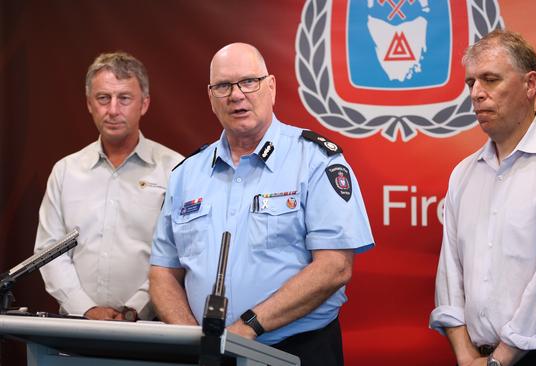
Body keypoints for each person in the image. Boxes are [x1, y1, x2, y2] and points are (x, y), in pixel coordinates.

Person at [149, 42, 374, 366]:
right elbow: (162, 272)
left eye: (248, 82)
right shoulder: (187, 174)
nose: (237, 95)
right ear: (210, 97)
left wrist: (249, 326)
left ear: (270, 87)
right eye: (223, 86)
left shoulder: (314, 160)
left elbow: (335, 266)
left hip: (296, 350)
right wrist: (193, 339)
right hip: (207, 355)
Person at [429, 30, 536, 366]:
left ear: (530, 84)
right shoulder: (463, 174)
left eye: (490, 80)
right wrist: (466, 356)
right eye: (471, 83)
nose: (476, 94)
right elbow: (450, 275)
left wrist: (500, 360)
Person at [34, 52, 183, 321]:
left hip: (150, 329)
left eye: (124, 98)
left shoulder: (175, 170)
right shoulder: (66, 171)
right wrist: (86, 309)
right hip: (75, 328)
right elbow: (49, 253)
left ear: (144, 104)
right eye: (103, 98)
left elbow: (179, 255)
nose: (113, 110)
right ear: (90, 104)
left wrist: (133, 310)